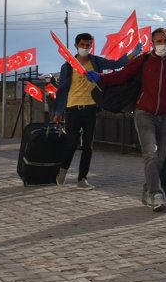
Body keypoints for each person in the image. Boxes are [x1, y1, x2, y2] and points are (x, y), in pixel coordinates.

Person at [86, 28, 166, 211]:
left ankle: (147, 191)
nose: (162, 44)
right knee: (151, 153)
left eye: (165, 40)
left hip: (165, 117)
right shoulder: (144, 60)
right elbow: (122, 75)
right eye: (158, 41)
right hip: (144, 114)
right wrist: (100, 78)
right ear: (152, 44)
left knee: (161, 159)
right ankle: (157, 194)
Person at [52, 33, 141, 190]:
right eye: (82, 45)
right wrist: (58, 111)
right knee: (71, 143)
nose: (85, 48)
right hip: (73, 109)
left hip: (91, 107)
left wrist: (133, 54)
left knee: (88, 145)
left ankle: (82, 179)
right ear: (76, 45)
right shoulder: (67, 66)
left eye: (88, 45)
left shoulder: (96, 61)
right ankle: (63, 169)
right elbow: (61, 90)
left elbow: (116, 64)